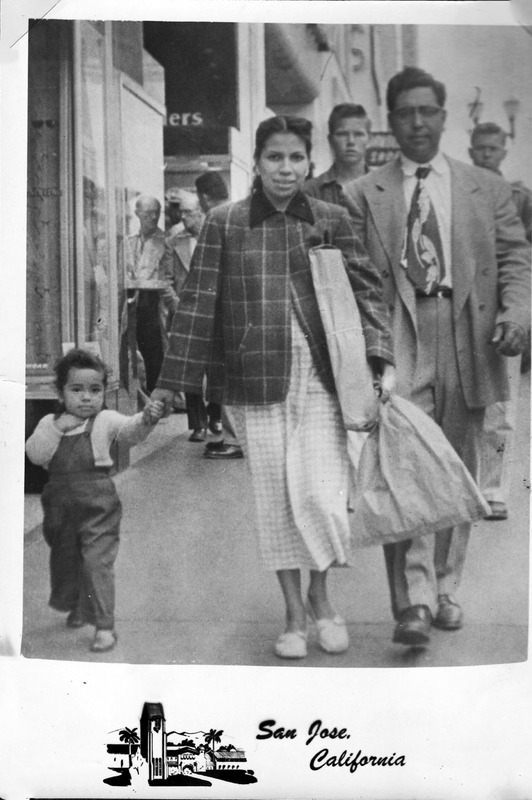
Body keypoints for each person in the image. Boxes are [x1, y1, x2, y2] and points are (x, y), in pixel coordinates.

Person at [153, 115, 395, 659]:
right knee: (276, 501)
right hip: (253, 382)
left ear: (309, 163)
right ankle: (293, 615)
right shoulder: (224, 222)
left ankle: (321, 597)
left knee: (320, 494)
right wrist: (171, 385)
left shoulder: (331, 217)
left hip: (323, 380)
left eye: (295, 158)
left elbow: (369, 292)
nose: (285, 169)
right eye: (274, 158)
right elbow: (196, 306)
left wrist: (380, 357)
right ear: (257, 163)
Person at [344, 67, 531, 647]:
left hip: (468, 331)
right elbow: (355, 277)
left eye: (427, 112)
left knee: (458, 464)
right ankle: (413, 603)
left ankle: (446, 588)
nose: (418, 122)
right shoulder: (364, 192)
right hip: (401, 327)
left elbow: (514, 262)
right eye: (406, 113)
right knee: (406, 462)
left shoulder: (486, 187)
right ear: (391, 121)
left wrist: (516, 314)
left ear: (444, 118)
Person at [25, 348, 164, 653]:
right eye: (77, 390)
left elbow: (131, 431)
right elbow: (35, 454)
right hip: (59, 506)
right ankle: (78, 604)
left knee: (96, 561)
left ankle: (104, 626)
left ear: (103, 391)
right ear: (61, 394)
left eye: (95, 390)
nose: (86, 397)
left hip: (99, 503)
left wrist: (147, 419)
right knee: (67, 559)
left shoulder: (105, 420)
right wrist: (55, 428)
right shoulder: (50, 422)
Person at [468, 122, 532, 521]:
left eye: (494, 148)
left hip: (504, 309)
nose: (487, 154)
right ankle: (466, 486)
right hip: (465, 309)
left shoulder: (520, 199)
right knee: (464, 406)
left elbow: (528, 260)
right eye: (481, 149)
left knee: (502, 409)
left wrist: (521, 316)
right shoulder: (458, 192)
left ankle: (493, 491)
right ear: (471, 150)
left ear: (504, 151)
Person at [194, 172, 244, 460]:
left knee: (225, 378)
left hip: (224, 312)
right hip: (240, 310)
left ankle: (235, 440)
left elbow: (209, 272)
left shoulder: (216, 217)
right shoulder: (239, 213)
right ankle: (232, 435)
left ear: (203, 196)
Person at [166, 190, 220, 439]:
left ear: (202, 212)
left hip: (214, 311)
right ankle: (198, 424)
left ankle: (216, 417)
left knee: (216, 367)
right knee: (190, 367)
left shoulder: (217, 238)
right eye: (182, 212)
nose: (182, 216)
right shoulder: (174, 241)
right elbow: (166, 279)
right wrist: (177, 304)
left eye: (188, 212)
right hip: (186, 311)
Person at [123, 195, 175, 394]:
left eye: (156, 212)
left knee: (154, 352)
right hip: (131, 302)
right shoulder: (129, 242)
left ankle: (156, 396)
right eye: (148, 213)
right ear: (137, 213)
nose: (153, 217)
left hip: (153, 303)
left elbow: (168, 276)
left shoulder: (165, 241)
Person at [304, 103, 371, 206]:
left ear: (369, 139)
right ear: (330, 140)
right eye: (342, 134)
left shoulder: (385, 188)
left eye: (358, 134)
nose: (351, 141)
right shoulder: (310, 191)